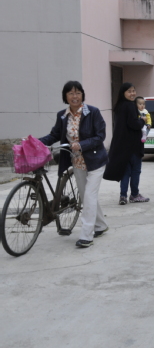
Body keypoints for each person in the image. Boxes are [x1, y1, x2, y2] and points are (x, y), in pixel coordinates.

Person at [39, 81, 109, 248]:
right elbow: (54, 135)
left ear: (82, 95)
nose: (74, 96)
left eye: (77, 93)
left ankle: (86, 235)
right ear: (65, 96)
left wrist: (82, 144)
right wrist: (35, 141)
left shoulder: (93, 112)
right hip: (77, 162)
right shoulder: (62, 116)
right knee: (86, 196)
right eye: (70, 93)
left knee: (89, 196)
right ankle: (101, 225)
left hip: (95, 161)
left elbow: (100, 136)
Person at [103, 83, 149, 204]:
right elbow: (133, 124)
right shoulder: (130, 105)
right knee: (135, 171)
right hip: (133, 145)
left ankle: (123, 196)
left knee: (125, 171)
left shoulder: (119, 106)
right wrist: (142, 121)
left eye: (133, 91)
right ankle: (134, 194)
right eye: (129, 91)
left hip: (122, 146)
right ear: (123, 93)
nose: (132, 93)